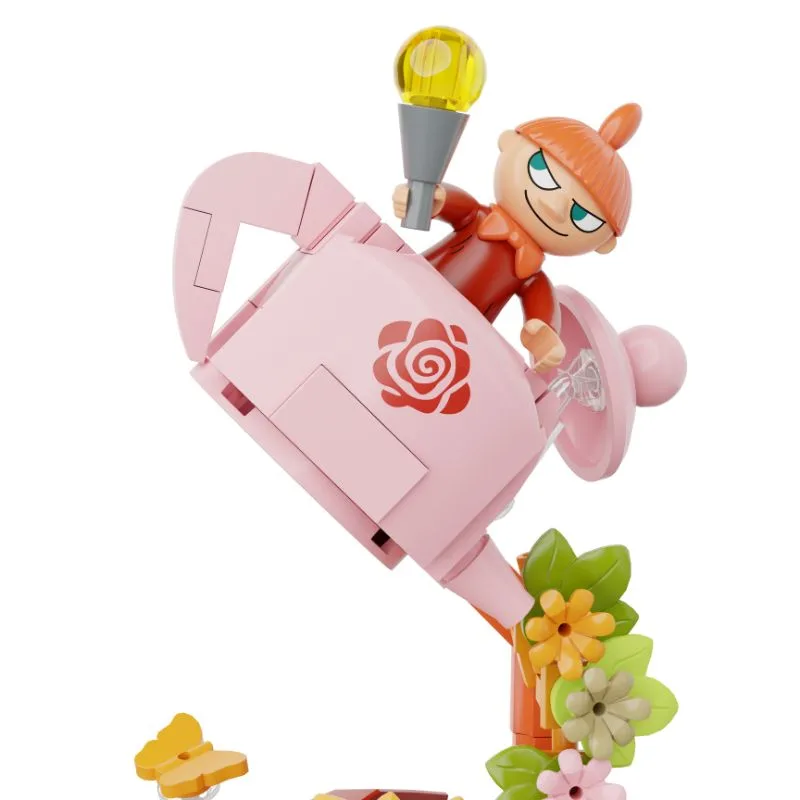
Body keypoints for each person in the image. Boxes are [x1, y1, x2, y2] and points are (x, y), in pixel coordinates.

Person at [392, 103, 641, 371]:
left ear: (605, 243)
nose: (555, 207)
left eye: (581, 216)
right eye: (541, 173)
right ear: (509, 143)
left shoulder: (531, 275)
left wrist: (543, 334)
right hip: (406, 289)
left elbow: (540, 310)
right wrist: (427, 199)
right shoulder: (477, 218)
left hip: (453, 340)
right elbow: (448, 203)